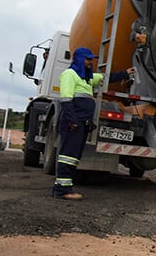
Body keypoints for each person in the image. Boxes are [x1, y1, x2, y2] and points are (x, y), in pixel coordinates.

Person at [53, 47, 134, 200]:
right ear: (78, 59)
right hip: (73, 122)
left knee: (74, 156)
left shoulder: (87, 78)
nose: (90, 62)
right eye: (87, 59)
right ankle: (62, 190)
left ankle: (64, 188)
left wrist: (125, 73)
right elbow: (66, 100)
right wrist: (73, 121)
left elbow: (106, 78)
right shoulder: (69, 75)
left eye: (91, 59)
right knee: (67, 155)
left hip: (82, 122)